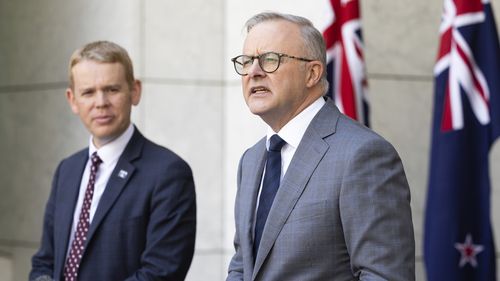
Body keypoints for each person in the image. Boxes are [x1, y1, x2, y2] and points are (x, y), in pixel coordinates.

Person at [227, 12, 415, 281]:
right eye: (246, 61)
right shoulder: (251, 159)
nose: (253, 72)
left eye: (270, 59)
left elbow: (384, 275)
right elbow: (242, 266)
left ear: (312, 72)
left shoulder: (363, 155)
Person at [30, 41, 196, 281]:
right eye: (88, 92)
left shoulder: (168, 173)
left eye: (112, 89)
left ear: (135, 91)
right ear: (72, 100)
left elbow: (161, 272)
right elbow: (45, 261)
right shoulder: (67, 170)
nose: (100, 102)